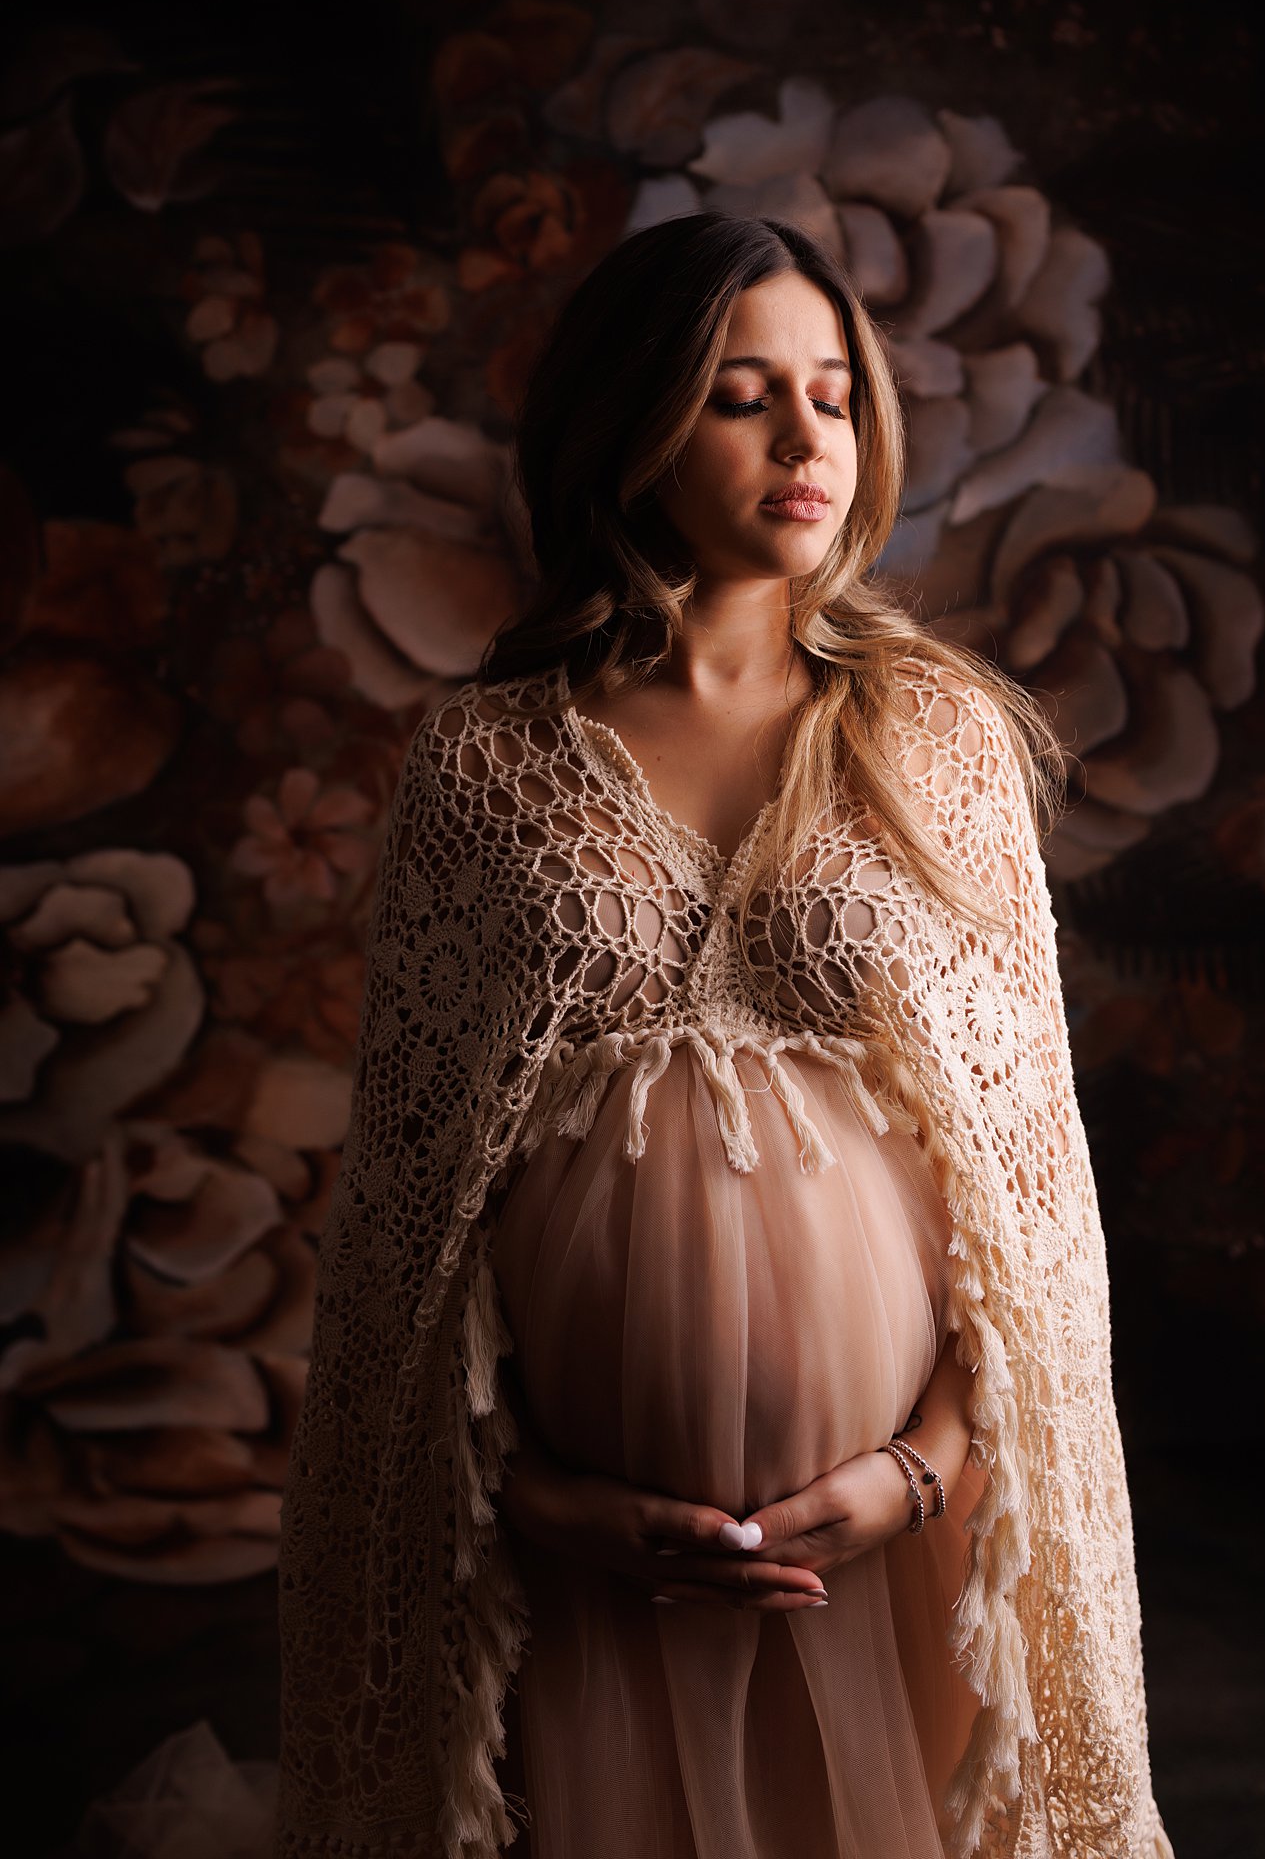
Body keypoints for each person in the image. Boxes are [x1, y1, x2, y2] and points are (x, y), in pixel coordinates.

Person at [272, 212, 1174, 1859]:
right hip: (573, 1559)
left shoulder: (938, 742)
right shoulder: (487, 765)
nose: (804, 437)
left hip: (887, 1548)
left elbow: (1035, 1217)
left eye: (831, 394)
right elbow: (406, 1230)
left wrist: (913, 1474)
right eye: (743, 393)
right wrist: (531, 1497)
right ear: (636, 423)